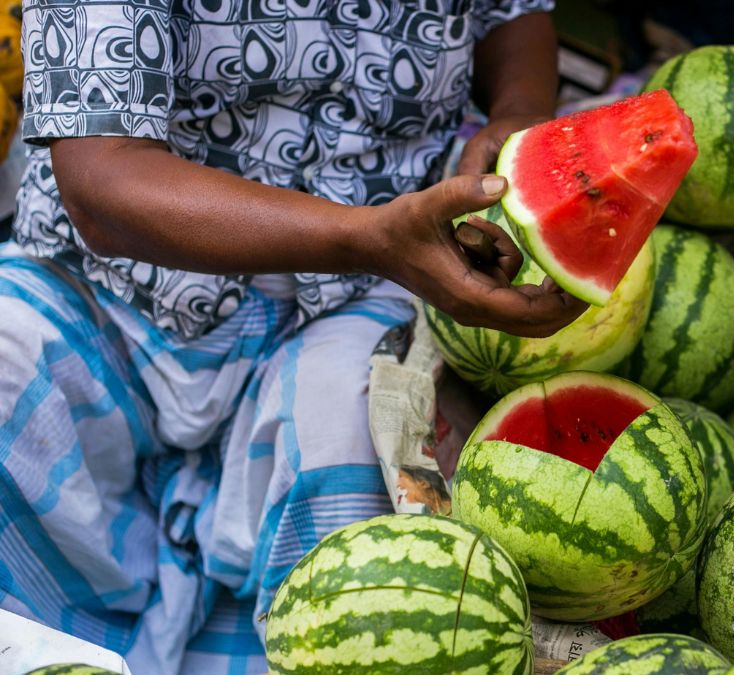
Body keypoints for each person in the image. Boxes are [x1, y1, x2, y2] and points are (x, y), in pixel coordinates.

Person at [0, 1, 584, 672]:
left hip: (351, 297)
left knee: (376, 535)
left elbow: (514, 14)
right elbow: (102, 176)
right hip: (104, 288)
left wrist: (518, 112)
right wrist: (367, 238)